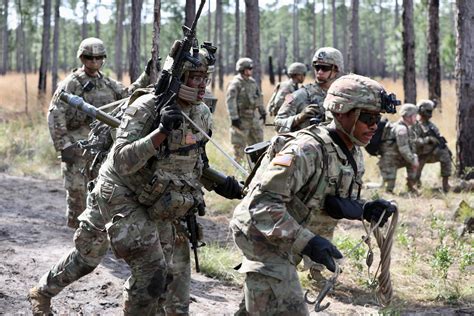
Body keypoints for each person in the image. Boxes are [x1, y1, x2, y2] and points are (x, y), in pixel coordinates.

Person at [30, 45, 242, 315]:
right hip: (120, 192)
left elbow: (193, 161)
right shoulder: (146, 108)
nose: (202, 85)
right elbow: (121, 160)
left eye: (205, 78)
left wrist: (221, 184)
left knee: (165, 273)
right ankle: (42, 292)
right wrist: (161, 132)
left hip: (156, 196)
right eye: (195, 78)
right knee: (91, 258)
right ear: (180, 77)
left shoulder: (201, 113)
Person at [230, 74, 397, 315]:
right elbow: (261, 205)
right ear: (341, 113)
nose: (374, 126)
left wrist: (365, 209)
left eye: (377, 118)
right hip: (260, 234)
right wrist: (307, 241)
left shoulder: (352, 151)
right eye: (367, 117)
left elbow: (329, 198)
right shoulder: (305, 151)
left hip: (286, 233)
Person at [48, 37, 153, 228]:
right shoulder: (71, 84)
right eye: (89, 57)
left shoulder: (108, 83)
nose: (94, 62)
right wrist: (64, 145)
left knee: (100, 190)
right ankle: (77, 233)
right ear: (82, 58)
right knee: (77, 192)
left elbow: (129, 95)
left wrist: (147, 74)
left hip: (100, 147)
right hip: (76, 145)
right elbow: (55, 113)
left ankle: (96, 231)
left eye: (98, 57)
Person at [274, 47, 343, 133]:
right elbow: (277, 124)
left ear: (336, 69)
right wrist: (299, 118)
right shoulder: (297, 95)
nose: (319, 72)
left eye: (325, 68)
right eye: (317, 67)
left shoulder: (344, 96)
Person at [226, 57, 267, 162]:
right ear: (243, 69)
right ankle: (238, 172)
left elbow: (258, 97)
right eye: (250, 68)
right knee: (239, 147)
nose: (251, 70)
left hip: (253, 119)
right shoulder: (236, 83)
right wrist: (234, 118)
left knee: (258, 146)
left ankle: (255, 169)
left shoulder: (252, 82)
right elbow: (231, 101)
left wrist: (262, 111)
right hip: (241, 119)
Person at [378, 103, 419, 193]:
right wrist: (413, 160)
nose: (416, 118)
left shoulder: (406, 127)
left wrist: (413, 158)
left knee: (413, 160)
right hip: (389, 161)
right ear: (409, 116)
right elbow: (404, 149)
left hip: (397, 158)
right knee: (388, 189)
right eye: (415, 116)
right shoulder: (401, 129)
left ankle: (410, 185)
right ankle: (381, 188)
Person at [412, 99, 452, 192]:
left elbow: (437, 139)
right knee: (414, 176)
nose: (430, 114)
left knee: (445, 154)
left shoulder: (431, 126)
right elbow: (413, 141)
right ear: (421, 110)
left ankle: (445, 184)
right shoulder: (414, 125)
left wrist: (442, 146)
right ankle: (414, 184)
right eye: (428, 111)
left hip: (430, 152)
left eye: (430, 111)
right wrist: (427, 140)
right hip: (418, 154)